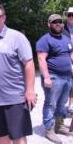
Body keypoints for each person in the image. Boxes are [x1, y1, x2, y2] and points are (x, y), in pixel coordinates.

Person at [0, 2, 36, 144]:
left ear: (4, 18)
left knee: (18, 136)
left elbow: (29, 64)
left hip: (15, 98)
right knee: (1, 136)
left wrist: (30, 90)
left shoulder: (16, 37)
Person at [36, 14, 73, 143]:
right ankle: (49, 130)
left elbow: (71, 55)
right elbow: (41, 59)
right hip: (53, 77)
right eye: (54, 22)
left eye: (60, 22)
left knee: (62, 103)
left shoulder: (66, 39)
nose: (58, 24)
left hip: (67, 77)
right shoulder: (45, 40)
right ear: (49, 24)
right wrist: (46, 77)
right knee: (50, 104)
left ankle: (59, 125)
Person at [62, 7, 73, 115]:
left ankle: (71, 105)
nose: (71, 17)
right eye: (69, 15)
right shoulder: (62, 29)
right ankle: (66, 105)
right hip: (66, 59)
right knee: (68, 83)